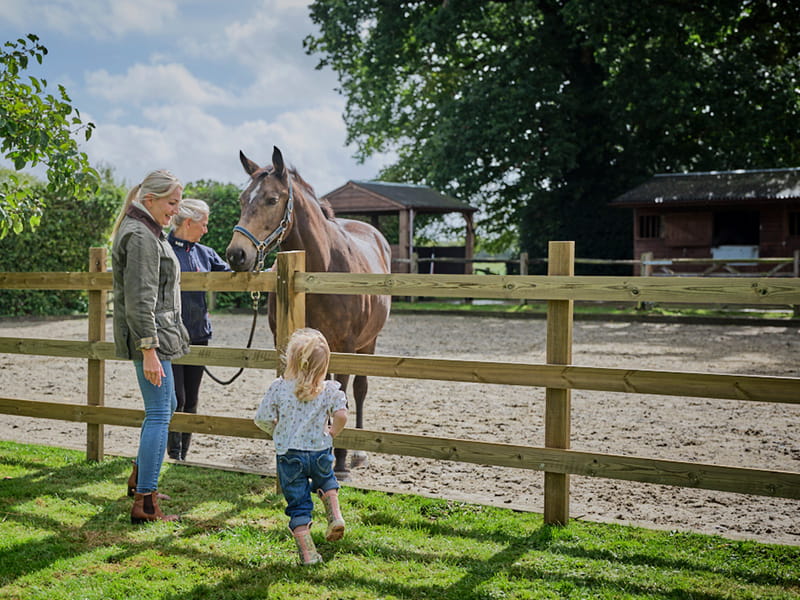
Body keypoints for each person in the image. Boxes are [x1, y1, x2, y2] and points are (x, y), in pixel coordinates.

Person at [112, 169, 190, 524]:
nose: (176, 210)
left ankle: (140, 478)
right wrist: (149, 351)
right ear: (150, 200)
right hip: (150, 337)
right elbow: (139, 300)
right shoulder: (141, 236)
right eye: (172, 203)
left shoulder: (145, 230)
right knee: (160, 411)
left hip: (156, 335)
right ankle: (145, 503)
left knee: (165, 405)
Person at [254, 328, 348, 565]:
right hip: (319, 451)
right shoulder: (329, 389)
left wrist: (276, 431)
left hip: (289, 455)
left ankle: (308, 555)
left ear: (291, 360)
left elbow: (262, 418)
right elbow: (341, 415)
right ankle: (335, 516)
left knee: (298, 505)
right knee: (327, 481)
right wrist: (333, 432)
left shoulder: (279, 387)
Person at [166, 198, 231, 461]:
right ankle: (174, 451)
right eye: (203, 224)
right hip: (171, 335)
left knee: (192, 397)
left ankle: (183, 454)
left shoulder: (206, 253)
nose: (206, 230)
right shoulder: (164, 250)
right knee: (176, 398)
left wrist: (266, 272)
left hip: (199, 335)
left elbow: (232, 276)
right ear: (188, 223)